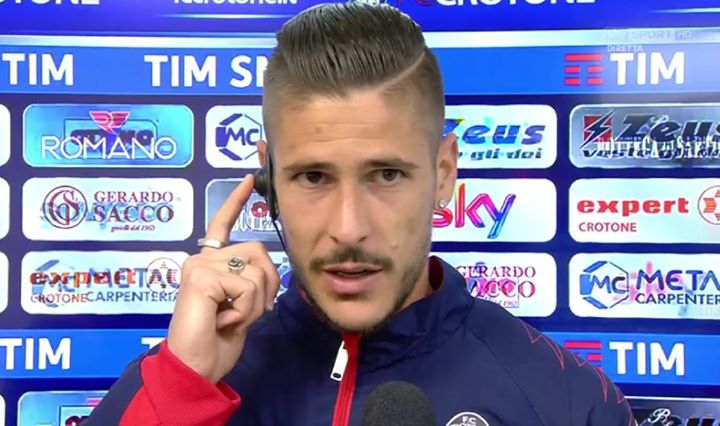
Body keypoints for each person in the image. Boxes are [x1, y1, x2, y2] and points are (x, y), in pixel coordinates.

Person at [84, 2, 635, 425]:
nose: (349, 228)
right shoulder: (177, 382)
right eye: (313, 177)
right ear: (269, 179)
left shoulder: (564, 399)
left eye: (387, 175)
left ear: (444, 174)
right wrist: (182, 387)